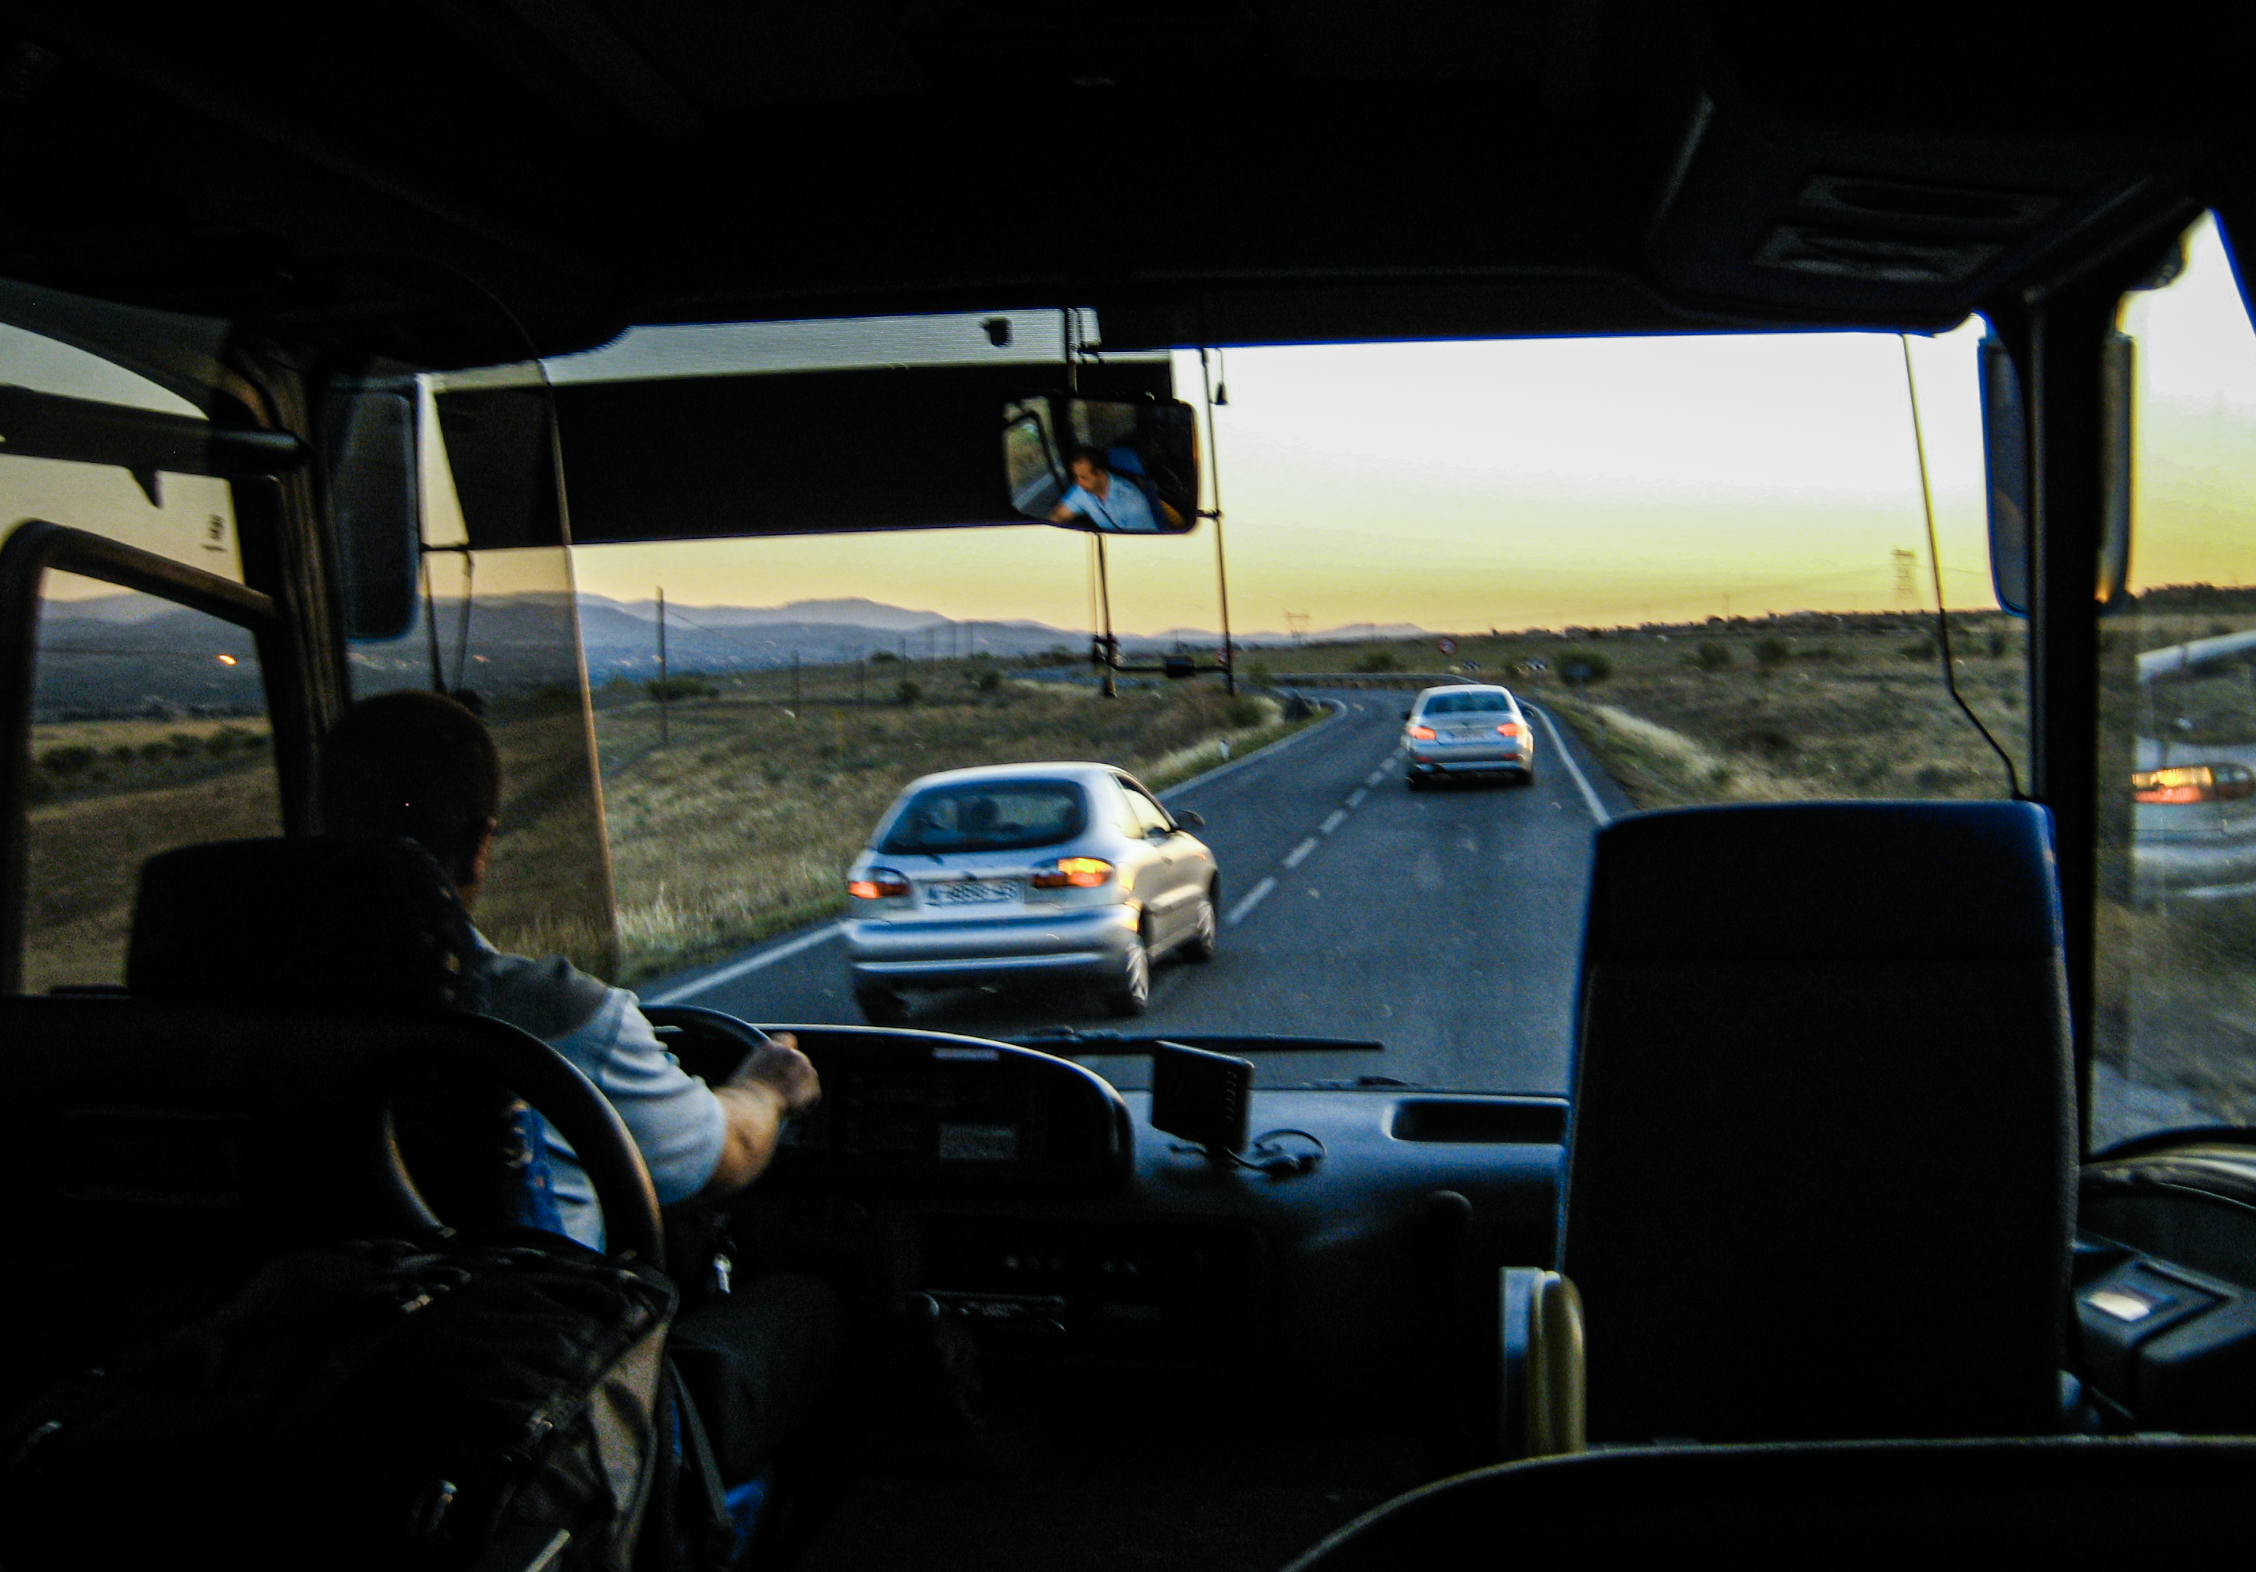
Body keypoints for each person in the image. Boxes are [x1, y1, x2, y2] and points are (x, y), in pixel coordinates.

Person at [317, 688, 831, 1483]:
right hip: (519, 1436)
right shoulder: (548, 1015)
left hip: (283, 1396)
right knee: (810, 1304)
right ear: (480, 845)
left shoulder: (198, 1025)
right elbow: (727, 1155)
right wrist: (769, 1088)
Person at [1047, 445, 1162, 532]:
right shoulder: (1082, 490)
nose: (1078, 482)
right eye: (1076, 476)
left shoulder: (1131, 500)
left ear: (1100, 474)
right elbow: (1058, 515)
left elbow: (1140, 543)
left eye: (1083, 477)